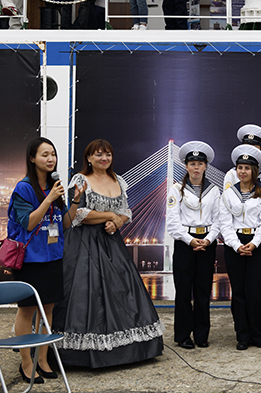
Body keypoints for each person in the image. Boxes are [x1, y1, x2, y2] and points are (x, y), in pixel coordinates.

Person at [53, 139, 164, 368]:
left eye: (108, 154)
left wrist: (117, 221)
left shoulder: (119, 180)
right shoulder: (81, 180)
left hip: (112, 243)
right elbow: (77, 214)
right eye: (98, 154)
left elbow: (125, 211)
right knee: (85, 292)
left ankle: (129, 350)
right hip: (84, 244)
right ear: (89, 158)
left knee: (123, 290)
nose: (104, 158)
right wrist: (109, 216)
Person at [7, 138, 81, 383]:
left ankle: (42, 358)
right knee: (27, 310)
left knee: (48, 309)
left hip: (53, 256)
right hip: (30, 259)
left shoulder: (54, 185)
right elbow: (28, 223)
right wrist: (49, 199)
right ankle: (26, 362)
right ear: (32, 158)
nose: (50, 159)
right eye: (44, 155)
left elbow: (65, 223)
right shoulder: (24, 188)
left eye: (53, 154)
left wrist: (75, 201)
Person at [222, 123, 261, 338]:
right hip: (236, 240)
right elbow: (226, 217)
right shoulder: (230, 180)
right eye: (241, 167)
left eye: (255, 147)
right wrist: (237, 244)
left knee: (259, 286)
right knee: (239, 290)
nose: (243, 171)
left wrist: (256, 241)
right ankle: (243, 333)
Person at [166, 141, 221, 349]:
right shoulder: (176, 190)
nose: (196, 167)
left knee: (203, 291)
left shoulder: (213, 190)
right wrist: (190, 240)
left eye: (200, 163)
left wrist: (208, 239)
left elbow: (218, 220)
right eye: (192, 164)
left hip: (207, 243)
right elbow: (173, 223)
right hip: (184, 244)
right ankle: (183, 335)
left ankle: (201, 335)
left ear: (205, 166)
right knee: (183, 292)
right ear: (186, 166)